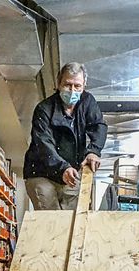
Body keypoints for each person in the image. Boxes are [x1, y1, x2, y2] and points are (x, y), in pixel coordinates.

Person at [23, 62, 107, 210]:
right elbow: (44, 144)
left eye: (77, 86)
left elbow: (98, 126)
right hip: (41, 171)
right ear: (58, 83)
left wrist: (94, 151)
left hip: (72, 170)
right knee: (51, 216)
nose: (72, 90)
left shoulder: (87, 101)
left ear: (84, 86)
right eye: (68, 85)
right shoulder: (44, 109)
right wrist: (62, 168)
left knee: (72, 218)